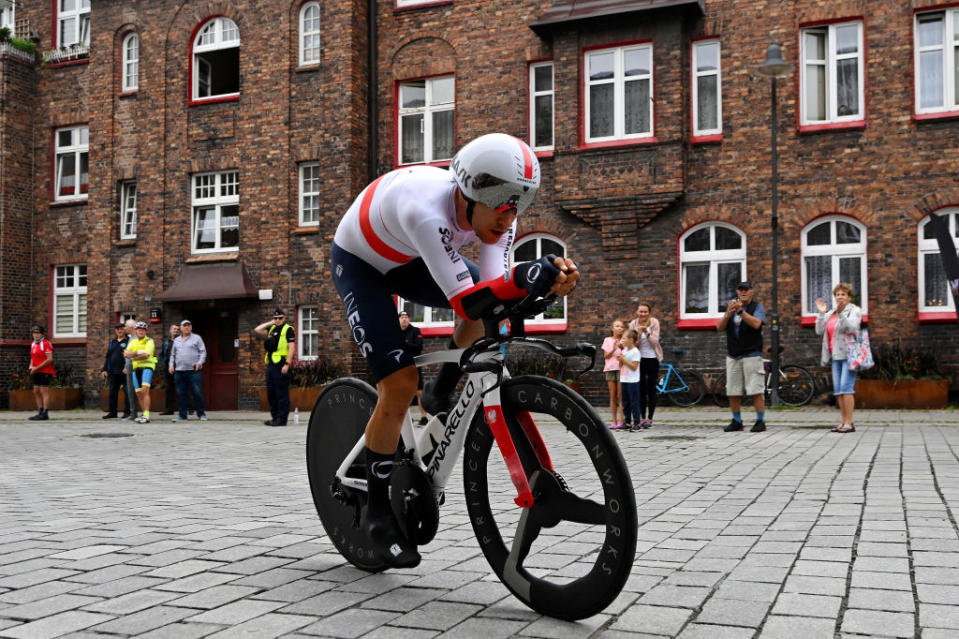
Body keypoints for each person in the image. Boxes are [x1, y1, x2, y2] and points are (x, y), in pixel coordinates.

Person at [330, 133, 578, 568]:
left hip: (409, 259)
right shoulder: (427, 211)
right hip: (362, 263)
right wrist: (523, 276)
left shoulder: (501, 215)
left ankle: (441, 391)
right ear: (469, 193)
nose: (508, 219)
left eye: (518, 207)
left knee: (486, 310)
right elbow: (470, 301)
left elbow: (493, 294)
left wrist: (547, 284)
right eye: (501, 207)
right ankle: (376, 508)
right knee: (400, 385)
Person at [717, 281, 767, 432]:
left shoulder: (757, 307)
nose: (743, 292)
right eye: (741, 290)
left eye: (746, 289)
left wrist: (741, 312)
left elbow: (757, 324)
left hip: (752, 353)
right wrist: (728, 314)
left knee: (755, 389)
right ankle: (737, 421)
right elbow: (719, 327)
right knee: (733, 390)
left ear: (751, 292)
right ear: (737, 292)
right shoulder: (732, 308)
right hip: (733, 355)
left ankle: (760, 421)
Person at [815, 283, 862, 433]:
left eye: (843, 294)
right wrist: (822, 313)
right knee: (838, 390)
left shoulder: (854, 311)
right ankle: (843, 422)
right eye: (838, 294)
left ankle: (850, 422)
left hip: (849, 355)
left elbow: (851, 328)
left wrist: (842, 314)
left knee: (846, 388)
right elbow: (819, 330)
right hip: (835, 356)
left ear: (849, 297)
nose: (840, 297)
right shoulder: (831, 313)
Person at [254, 309, 294, 427]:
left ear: (284, 318)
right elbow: (257, 330)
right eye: (275, 318)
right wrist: (270, 323)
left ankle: (282, 419)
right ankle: (275, 417)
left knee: (281, 393)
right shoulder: (271, 328)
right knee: (271, 393)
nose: (277, 320)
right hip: (271, 364)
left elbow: (291, 348)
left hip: (281, 364)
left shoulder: (288, 329)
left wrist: (287, 364)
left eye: (280, 318)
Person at [628, 302, 664, 429]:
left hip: (652, 359)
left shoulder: (654, 322)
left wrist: (647, 333)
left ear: (649, 313)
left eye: (645, 312)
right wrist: (638, 333)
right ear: (637, 312)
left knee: (651, 388)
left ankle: (650, 418)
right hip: (639, 360)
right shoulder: (633, 324)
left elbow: (655, 342)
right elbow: (632, 344)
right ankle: (642, 417)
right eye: (640, 311)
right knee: (641, 389)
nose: (643, 314)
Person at [169, 319, 208, 422]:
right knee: (181, 393)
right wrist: (171, 365)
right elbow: (172, 354)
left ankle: (201, 414)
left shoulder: (197, 338)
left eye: (188, 326)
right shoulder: (177, 340)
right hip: (179, 371)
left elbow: (203, 352)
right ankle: (182, 415)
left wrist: (199, 363)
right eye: (184, 326)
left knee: (197, 392)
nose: (187, 327)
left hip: (193, 370)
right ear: (181, 328)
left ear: (191, 327)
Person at [398, 310, 428, 424]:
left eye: (406, 317)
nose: (404, 319)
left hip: (414, 366)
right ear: (399, 320)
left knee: (419, 392)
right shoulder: (396, 333)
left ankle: (424, 416)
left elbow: (418, 347)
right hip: (401, 367)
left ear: (409, 319)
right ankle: (407, 419)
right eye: (402, 317)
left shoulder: (415, 331)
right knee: (403, 393)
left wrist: (404, 344)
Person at [124, 321, 157, 423]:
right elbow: (125, 354)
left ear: (145, 331)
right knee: (138, 393)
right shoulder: (133, 342)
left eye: (143, 330)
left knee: (145, 390)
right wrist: (138, 353)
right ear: (136, 331)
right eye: (139, 330)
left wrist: (133, 356)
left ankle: (146, 415)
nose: (141, 331)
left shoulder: (149, 341)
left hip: (147, 367)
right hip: (135, 369)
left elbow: (146, 355)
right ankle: (144, 415)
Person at [100, 322, 129, 419]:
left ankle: (127, 412)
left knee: (127, 392)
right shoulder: (112, 342)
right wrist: (104, 369)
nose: (119, 331)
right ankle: (113, 412)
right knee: (112, 392)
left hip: (125, 371)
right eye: (117, 329)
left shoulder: (129, 341)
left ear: (124, 329)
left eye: (121, 329)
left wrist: (127, 367)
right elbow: (108, 356)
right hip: (112, 371)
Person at [27, 325, 55, 421]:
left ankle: (45, 413)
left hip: (45, 370)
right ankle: (40, 411)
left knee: (43, 391)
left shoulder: (46, 343)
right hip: (36, 370)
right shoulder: (33, 344)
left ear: (42, 334)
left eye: (38, 333)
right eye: (34, 333)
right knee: (36, 391)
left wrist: (37, 368)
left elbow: (50, 359)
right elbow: (32, 357)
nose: (36, 335)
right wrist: (31, 367)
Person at [601, 319, 625, 429]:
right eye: (617, 326)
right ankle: (614, 421)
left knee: (620, 396)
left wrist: (622, 348)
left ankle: (621, 421)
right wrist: (614, 349)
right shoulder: (607, 340)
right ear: (612, 328)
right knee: (612, 396)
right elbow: (606, 356)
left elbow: (629, 355)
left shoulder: (624, 340)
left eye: (621, 326)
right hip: (610, 369)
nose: (619, 328)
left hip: (621, 369)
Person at [617, 329, 641, 431]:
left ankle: (637, 423)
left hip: (633, 381)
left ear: (631, 340)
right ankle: (627, 422)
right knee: (625, 402)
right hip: (624, 379)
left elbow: (634, 367)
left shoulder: (636, 352)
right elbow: (620, 365)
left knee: (634, 402)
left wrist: (624, 360)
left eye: (624, 338)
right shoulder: (624, 351)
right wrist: (620, 360)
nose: (622, 340)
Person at [157, 323, 179, 415]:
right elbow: (161, 354)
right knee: (169, 388)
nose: (175, 330)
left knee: (182, 387)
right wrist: (162, 365)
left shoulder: (181, 341)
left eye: (177, 329)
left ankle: (187, 408)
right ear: (170, 331)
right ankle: (169, 409)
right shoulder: (166, 341)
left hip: (179, 368)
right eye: (174, 329)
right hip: (168, 368)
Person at [122, 318, 139, 421]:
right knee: (130, 390)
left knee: (138, 390)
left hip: (136, 366)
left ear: (131, 327)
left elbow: (141, 352)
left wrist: (129, 354)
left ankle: (142, 413)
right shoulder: (130, 338)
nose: (124, 328)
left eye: (126, 326)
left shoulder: (138, 338)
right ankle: (133, 413)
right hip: (129, 366)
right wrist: (125, 366)